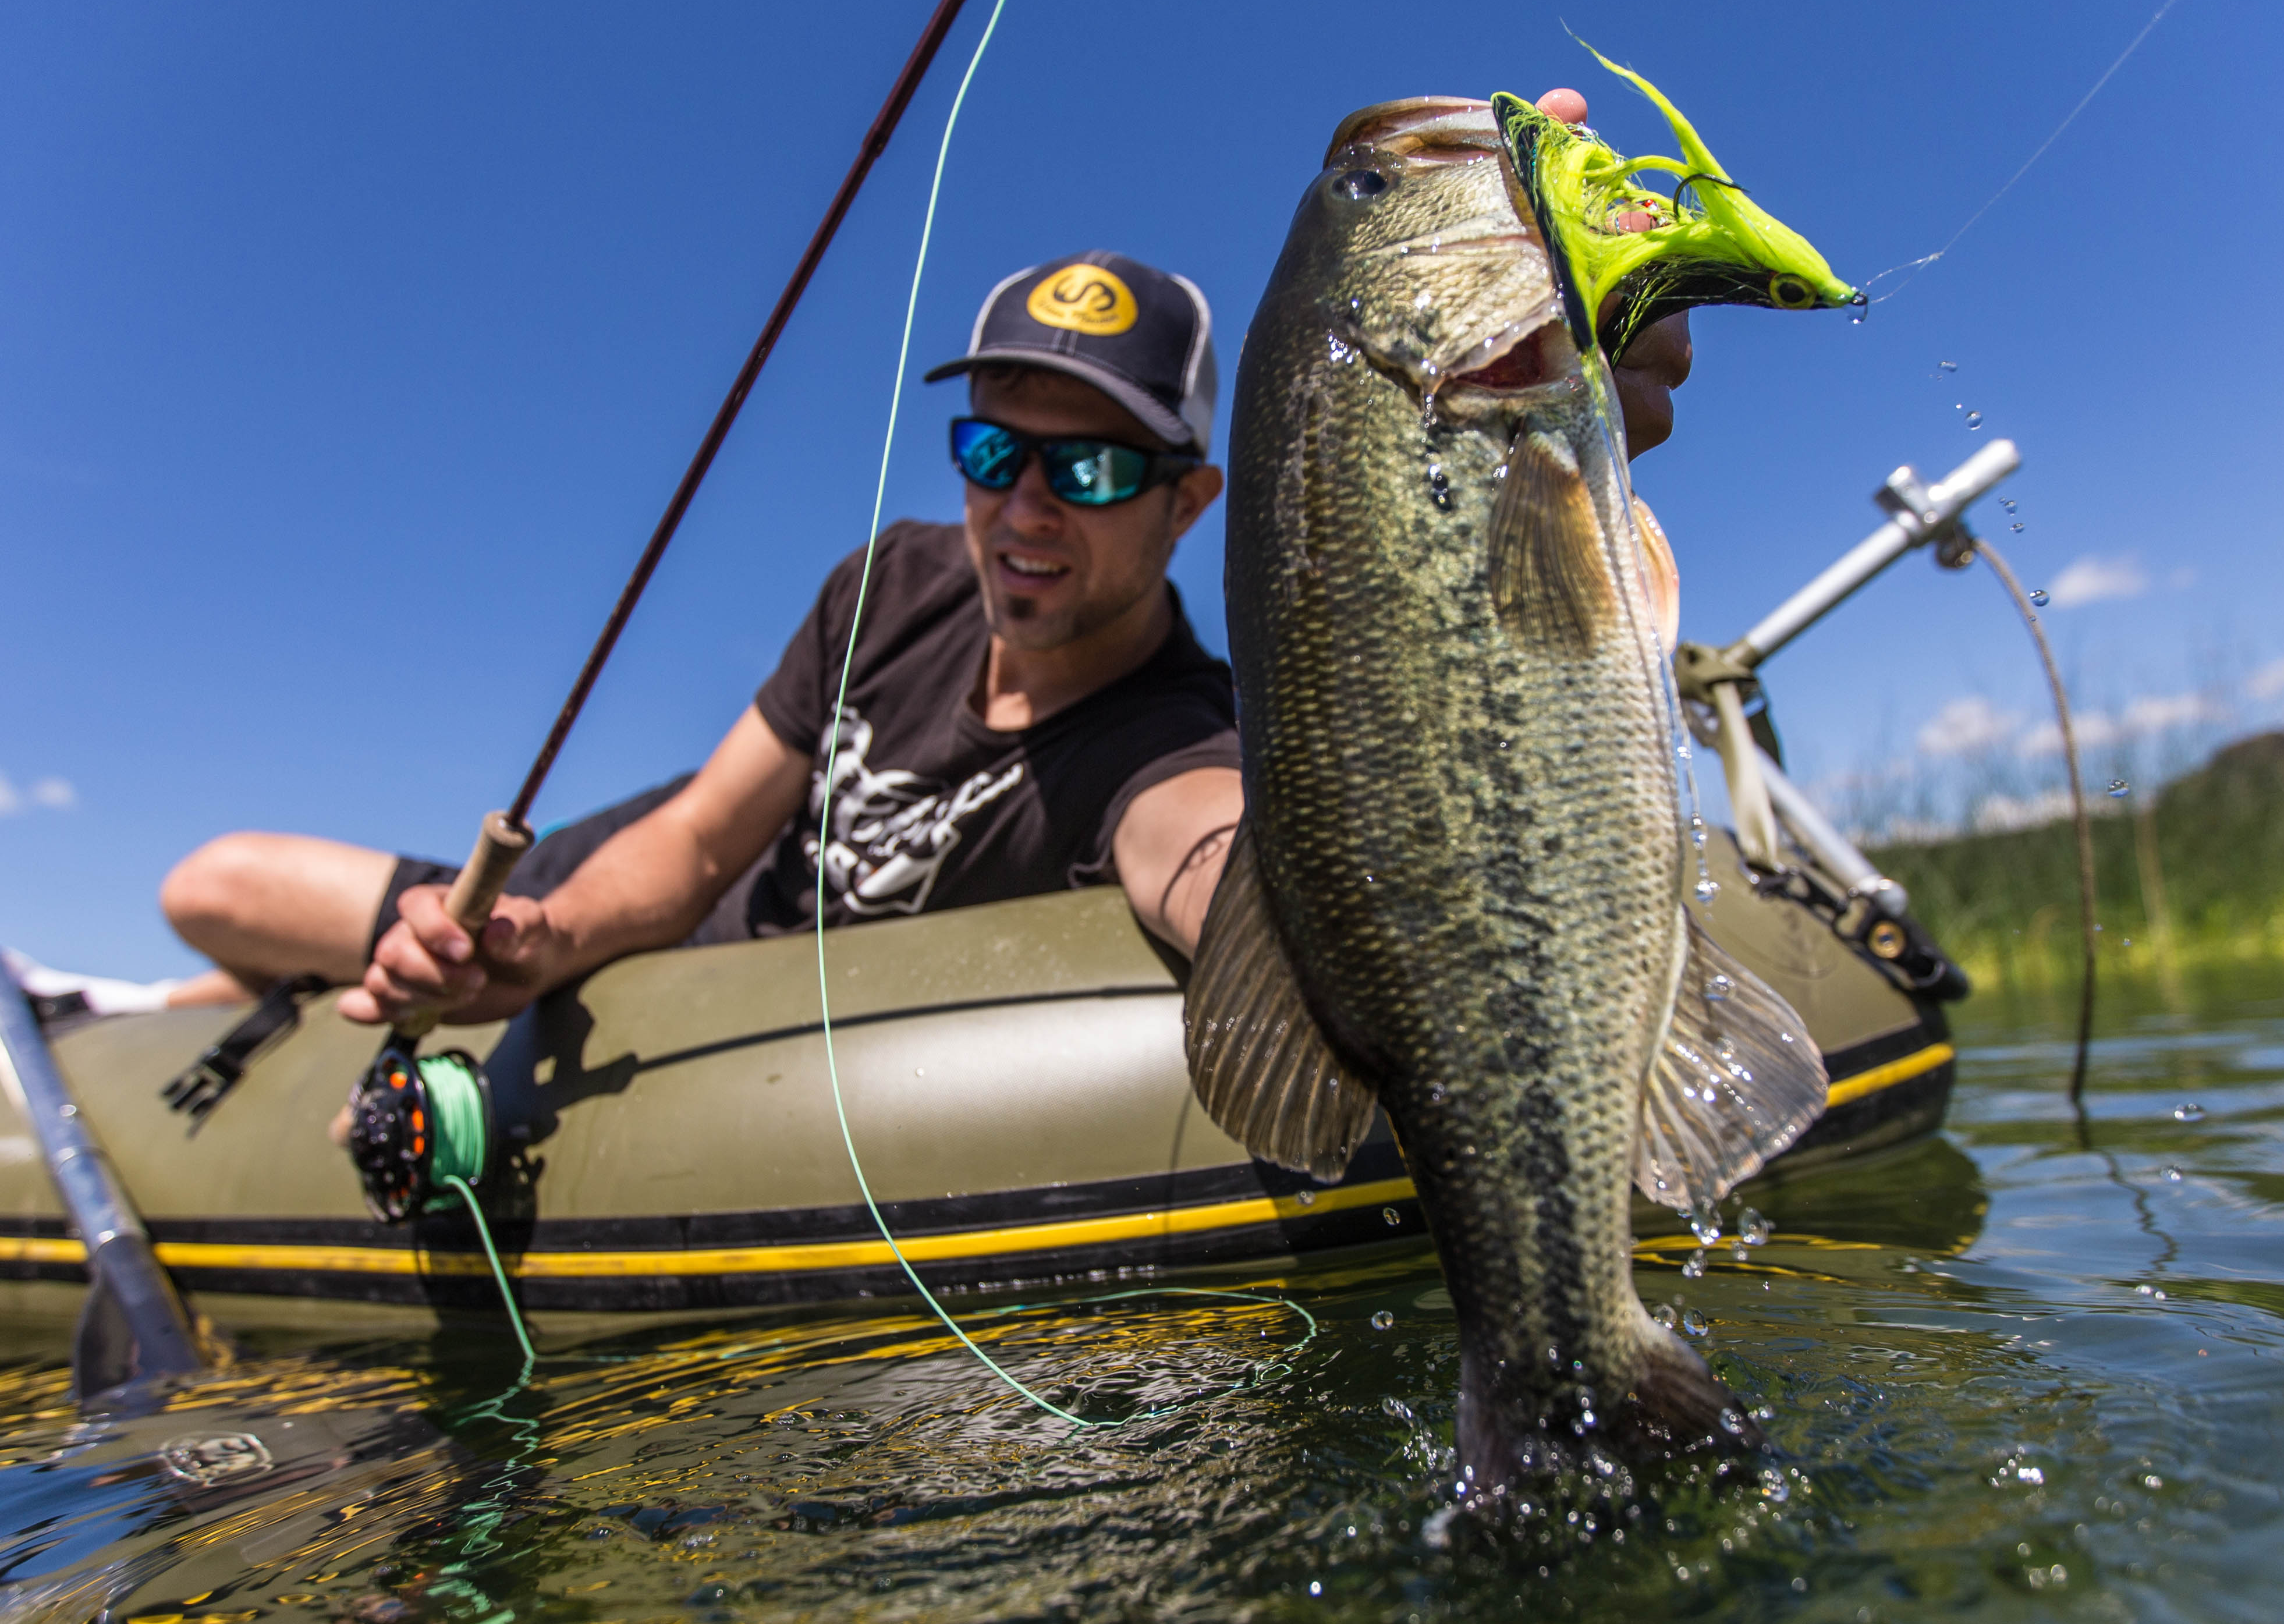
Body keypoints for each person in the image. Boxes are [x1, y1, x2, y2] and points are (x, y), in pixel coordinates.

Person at [156, 93, 1694, 1030]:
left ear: (1189, 502)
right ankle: (182, 1012)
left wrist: (1510, 516)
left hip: (755, 991)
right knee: (209, 886)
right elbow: (696, 846)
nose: (1024, 509)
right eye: (990, 452)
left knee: (235, 917)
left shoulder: (1172, 732)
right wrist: (529, 939)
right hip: (617, 893)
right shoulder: (887, 583)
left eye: (1091, 469)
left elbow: (1213, 859)